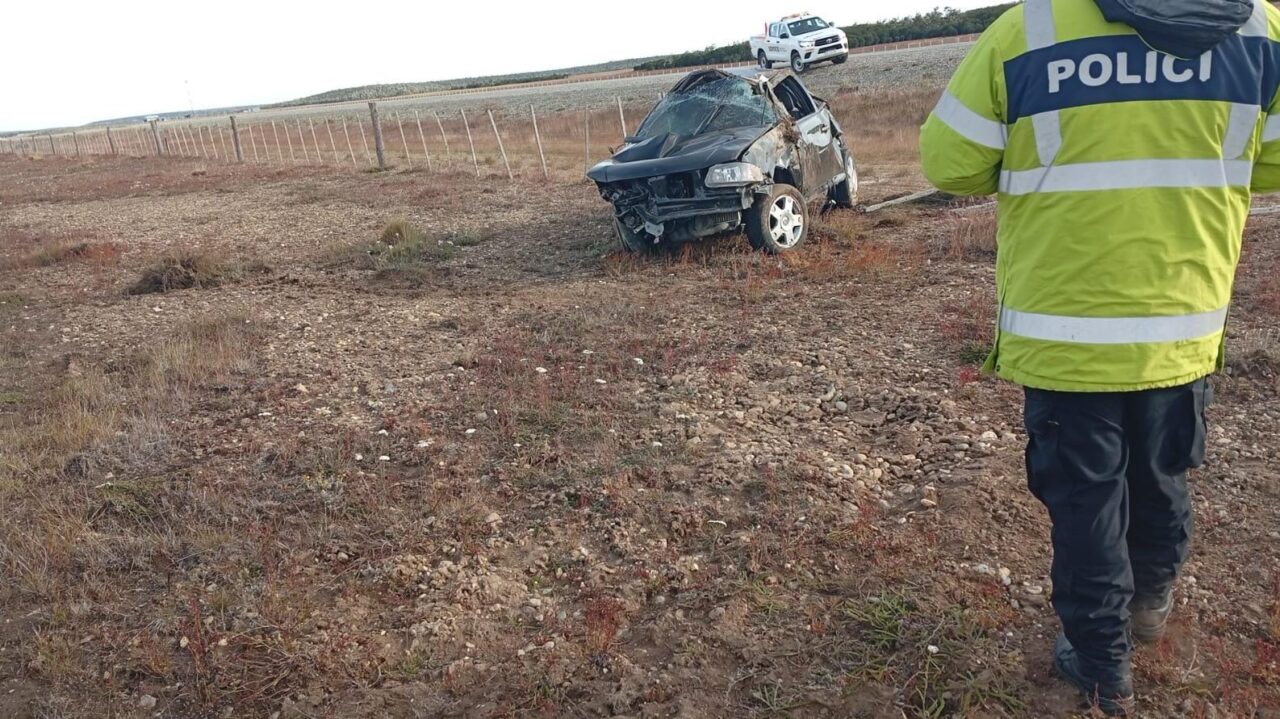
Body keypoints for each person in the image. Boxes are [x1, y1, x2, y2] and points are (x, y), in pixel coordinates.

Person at [919, 0, 1280, 714]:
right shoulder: (1261, 32)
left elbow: (949, 163)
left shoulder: (1030, 30)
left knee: (1087, 503)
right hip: (1179, 327)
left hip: (1069, 335)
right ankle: (1148, 607)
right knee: (1163, 475)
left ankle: (1101, 665)